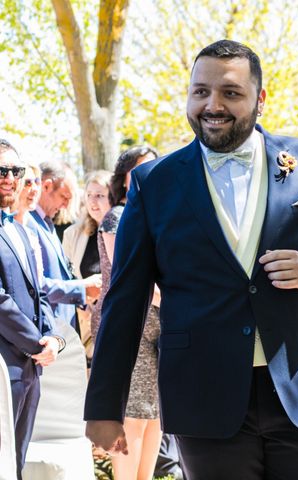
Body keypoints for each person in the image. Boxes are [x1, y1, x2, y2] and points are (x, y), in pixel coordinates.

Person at [84, 39, 298, 479]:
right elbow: (125, 298)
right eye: (200, 91)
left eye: (230, 93)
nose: (212, 105)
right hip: (205, 399)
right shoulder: (154, 182)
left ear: (260, 99)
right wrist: (105, 406)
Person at [89, 146, 162, 480]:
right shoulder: (118, 215)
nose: (151, 174)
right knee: (132, 418)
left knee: (154, 417)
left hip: (159, 325)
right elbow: (130, 276)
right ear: (125, 176)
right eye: (141, 168)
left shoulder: (155, 214)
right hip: (132, 324)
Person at [0, 139, 64, 479]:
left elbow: (39, 293)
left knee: (17, 464)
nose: (11, 178)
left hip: (29, 370)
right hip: (3, 367)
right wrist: (35, 344)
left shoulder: (21, 231)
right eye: (2, 170)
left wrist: (52, 337)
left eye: (16, 170)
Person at [27, 161, 101, 330]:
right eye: (64, 197)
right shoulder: (28, 223)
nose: (66, 205)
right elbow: (33, 285)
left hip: (64, 330)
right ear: (46, 187)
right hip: (49, 331)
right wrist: (81, 289)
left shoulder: (46, 223)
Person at [62, 170, 111, 361]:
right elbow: (64, 279)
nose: (92, 201)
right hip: (85, 325)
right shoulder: (73, 234)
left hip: (118, 322)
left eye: (99, 195)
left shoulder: (126, 230)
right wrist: (82, 302)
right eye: (89, 195)